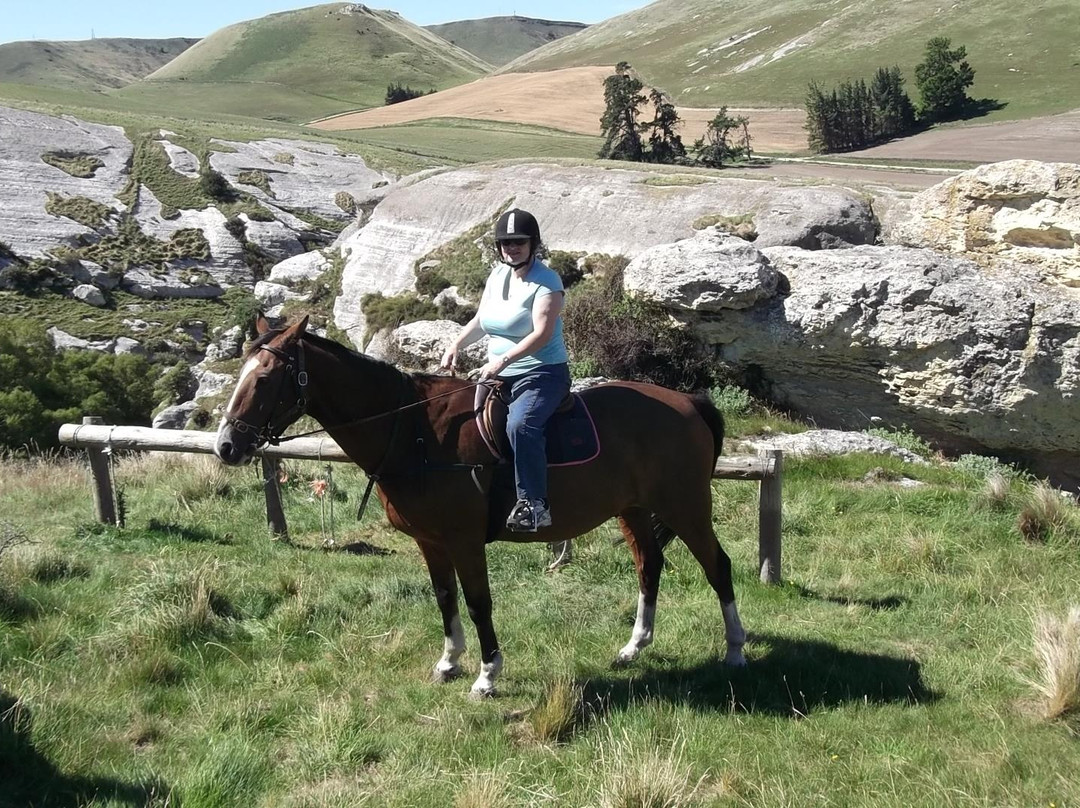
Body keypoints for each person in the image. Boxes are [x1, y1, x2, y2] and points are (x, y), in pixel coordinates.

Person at [440, 208, 570, 534]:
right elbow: (482, 321)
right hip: (497, 373)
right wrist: (457, 344)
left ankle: (534, 504)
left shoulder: (548, 283)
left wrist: (502, 361)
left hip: (541, 373)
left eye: (519, 242)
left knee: (520, 425)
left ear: (533, 244)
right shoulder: (498, 276)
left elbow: (540, 334)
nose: (512, 248)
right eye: (506, 243)